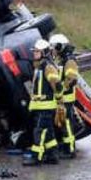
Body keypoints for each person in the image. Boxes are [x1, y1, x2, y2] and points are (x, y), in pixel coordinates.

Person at [24, 38, 61, 166]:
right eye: (34, 51)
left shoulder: (48, 67)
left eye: (37, 52)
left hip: (45, 107)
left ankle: (36, 157)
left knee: (39, 131)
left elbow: (57, 85)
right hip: (40, 106)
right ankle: (52, 155)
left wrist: (60, 101)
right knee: (49, 132)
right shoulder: (40, 66)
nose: (34, 54)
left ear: (44, 52)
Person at [50, 33, 79, 159]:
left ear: (59, 46)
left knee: (67, 124)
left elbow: (71, 79)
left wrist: (60, 88)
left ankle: (70, 150)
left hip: (67, 98)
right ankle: (67, 147)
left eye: (54, 48)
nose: (53, 51)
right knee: (64, 123)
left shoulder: (69, 61)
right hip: (63, 98)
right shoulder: (63, 59)